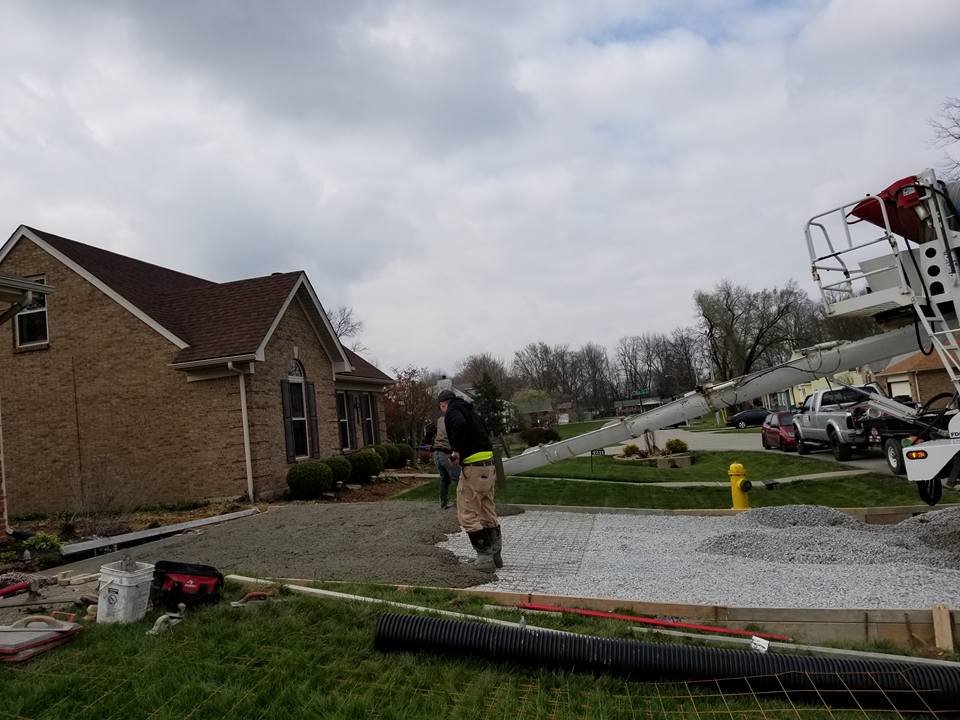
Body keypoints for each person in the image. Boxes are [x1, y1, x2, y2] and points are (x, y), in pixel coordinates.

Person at [437, 389, 501, 572]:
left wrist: (456, 450)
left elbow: (458, 424)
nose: (443, 412)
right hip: (488, 464)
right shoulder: (471, 411)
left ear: (443, 404)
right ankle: (496, 556)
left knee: (467, 513)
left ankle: (484, 558)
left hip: (473, 468)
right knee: (487, 510)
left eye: (441, 409)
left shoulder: (452, 412)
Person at [422, 409, 460, 509]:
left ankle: (443, 503)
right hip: (446, 453)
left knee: (445, 479)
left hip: (436, 454)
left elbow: (429, 430)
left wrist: (427, 444)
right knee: (458, 478)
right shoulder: (454, 420)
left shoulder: (439, 420)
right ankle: (461, 504)